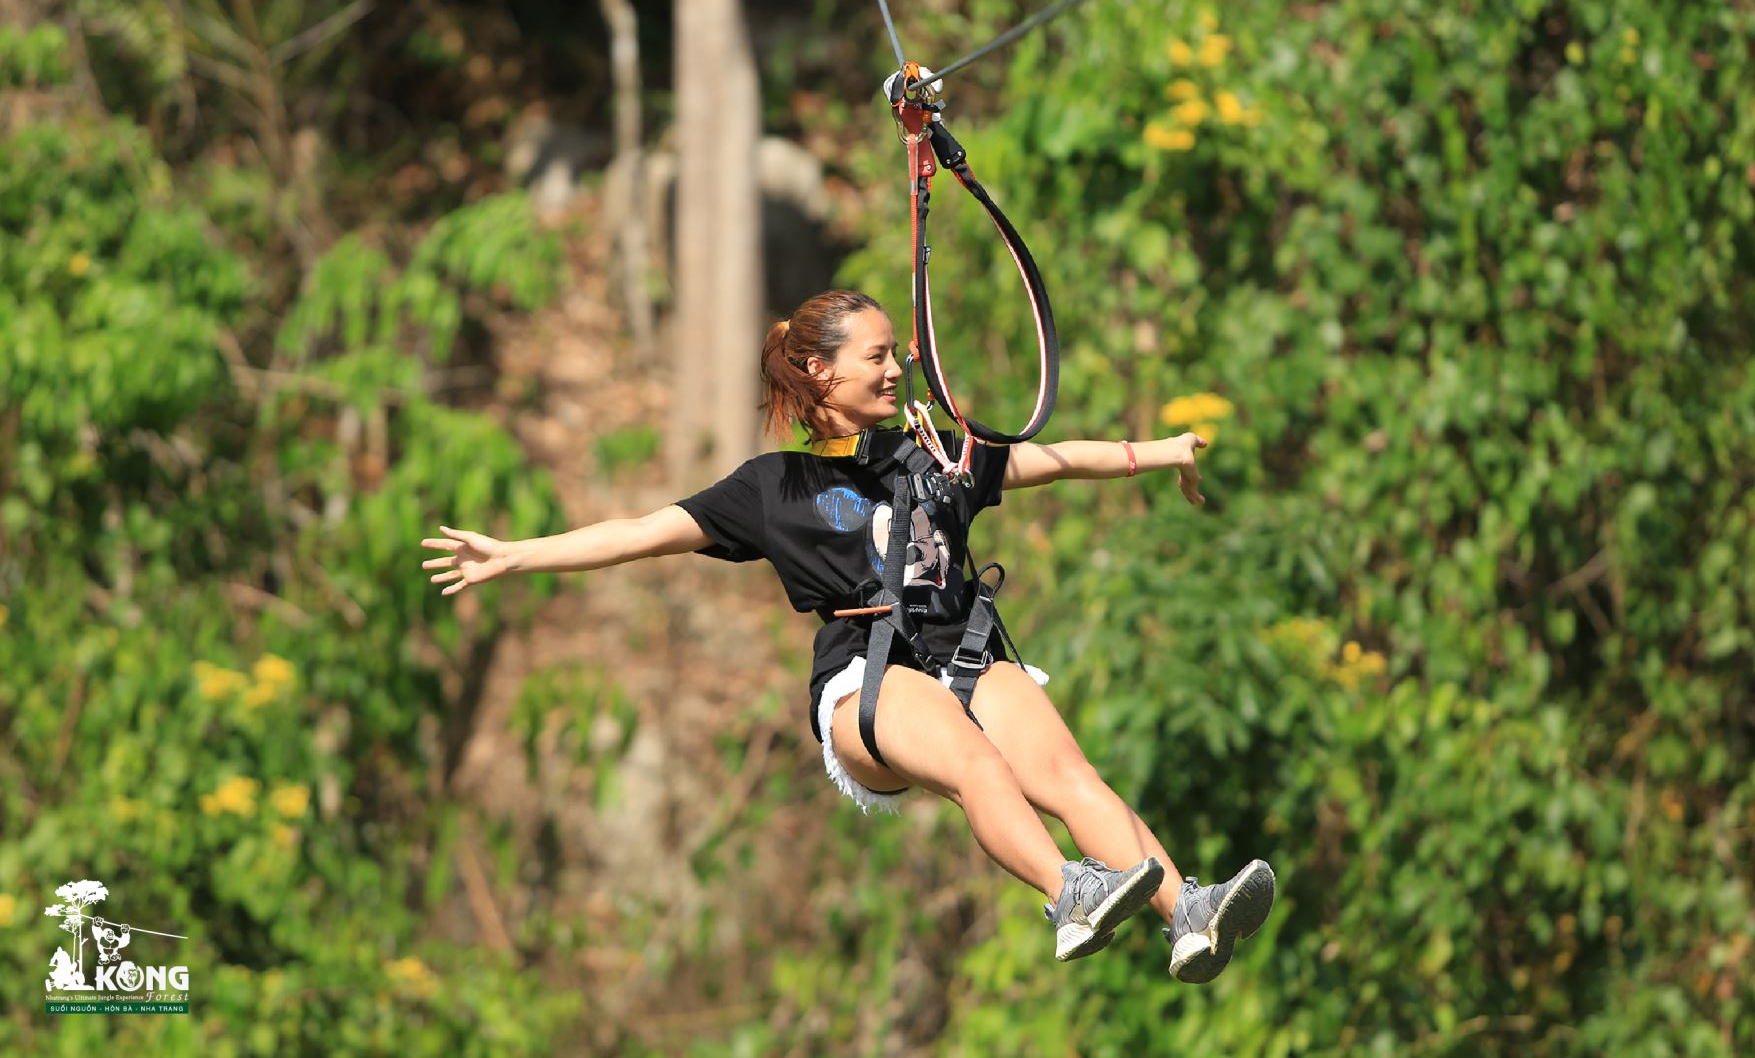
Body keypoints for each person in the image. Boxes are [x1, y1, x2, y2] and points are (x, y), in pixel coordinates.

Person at [421, 289, 1275, 980]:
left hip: (958, 647)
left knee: (1070, 774)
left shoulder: (933, 453)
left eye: (896, 352)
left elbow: (1041, 461)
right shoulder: (773, 488)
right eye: (878, 355)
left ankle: (1185, 915)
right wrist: (516, 556)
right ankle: (1068, 894)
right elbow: (642, 531)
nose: (898, 367)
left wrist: (1157, 452)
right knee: (975, 762)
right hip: (866, 676)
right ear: (819, 372)